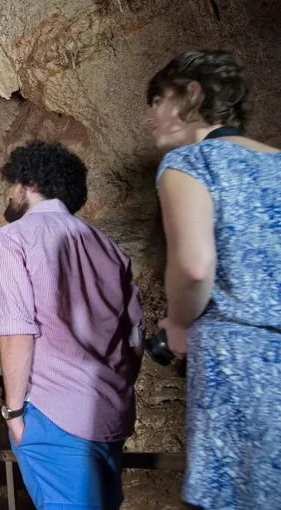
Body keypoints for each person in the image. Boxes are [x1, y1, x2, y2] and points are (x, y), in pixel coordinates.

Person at [146, 49, 281, 509]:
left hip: (237, 359)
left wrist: (180, 324)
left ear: (192, 94)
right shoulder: (277, 163)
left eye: (158, 99)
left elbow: (195, 265)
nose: (152, 115)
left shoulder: (192, 163)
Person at [0, 140, 145, 510]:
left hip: (53, 415)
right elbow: (135, 335)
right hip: (109, 416)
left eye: (11, 185)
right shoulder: (108, 246)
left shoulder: (13, 237)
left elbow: (16, 330)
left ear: (28, 184)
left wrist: (13, 413)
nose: (9, 194)